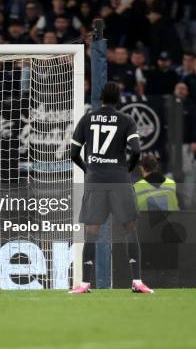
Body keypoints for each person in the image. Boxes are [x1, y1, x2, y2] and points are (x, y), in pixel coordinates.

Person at [70, 82, 154, 293]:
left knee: (91, 231)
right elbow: (136, 150)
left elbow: (72, 153)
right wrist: (128, 170)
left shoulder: (87, 119)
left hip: (95, 180)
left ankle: (85, 283)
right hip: (119, 180)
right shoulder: (126, 120)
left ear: (100, 98)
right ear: (118, 99)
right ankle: (136, 281)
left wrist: (88, 169)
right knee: (129, 228)